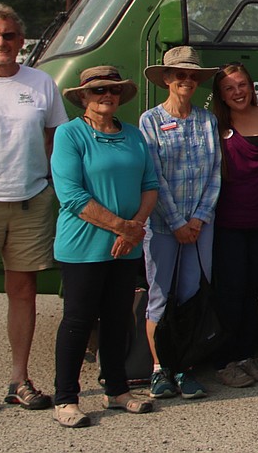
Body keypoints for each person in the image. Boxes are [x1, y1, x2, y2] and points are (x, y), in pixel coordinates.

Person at [0, 3, 68, 424]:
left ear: (22, 41)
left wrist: (47, 185)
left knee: (23, 292)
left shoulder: (41, 83)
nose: (0, 43)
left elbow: (55, 136)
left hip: (28, 201)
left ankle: (19, 381)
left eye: (8, 36)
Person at [50, 66, 157, 427]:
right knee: (78, 323)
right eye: (97, 92)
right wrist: (122, 227)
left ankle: (117, 390)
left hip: (127, 246)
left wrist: (134, 229)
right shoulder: (70, 135)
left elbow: (150, 184)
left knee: (117, 319)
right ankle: (66, 398)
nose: (106, 96)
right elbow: (71, 195)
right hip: (83, 246)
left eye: (112, 91)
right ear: (83, 97)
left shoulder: (133, 135)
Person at [139, 46, 221, 401]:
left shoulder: (207, 120)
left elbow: (216, 172)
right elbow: (152, 176)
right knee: (159, 296)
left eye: (192, 75)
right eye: (180, 75)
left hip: (200, 225)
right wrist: (176, 222)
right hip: (162, 225)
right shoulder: (150, 121)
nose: (186, 80)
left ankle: (184, 368)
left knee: (190, 294)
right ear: (167, 79)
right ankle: (160, 370)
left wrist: (199, 218)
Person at [209, 63, 258, 388]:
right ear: (221, 96)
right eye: (229, 88)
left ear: (252, 87)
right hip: (228, 223)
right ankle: (225, 361)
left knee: (252, 290)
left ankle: (246, 354)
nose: (237, 92)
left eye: (242, 85)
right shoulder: (215, 126)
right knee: (230, 291)